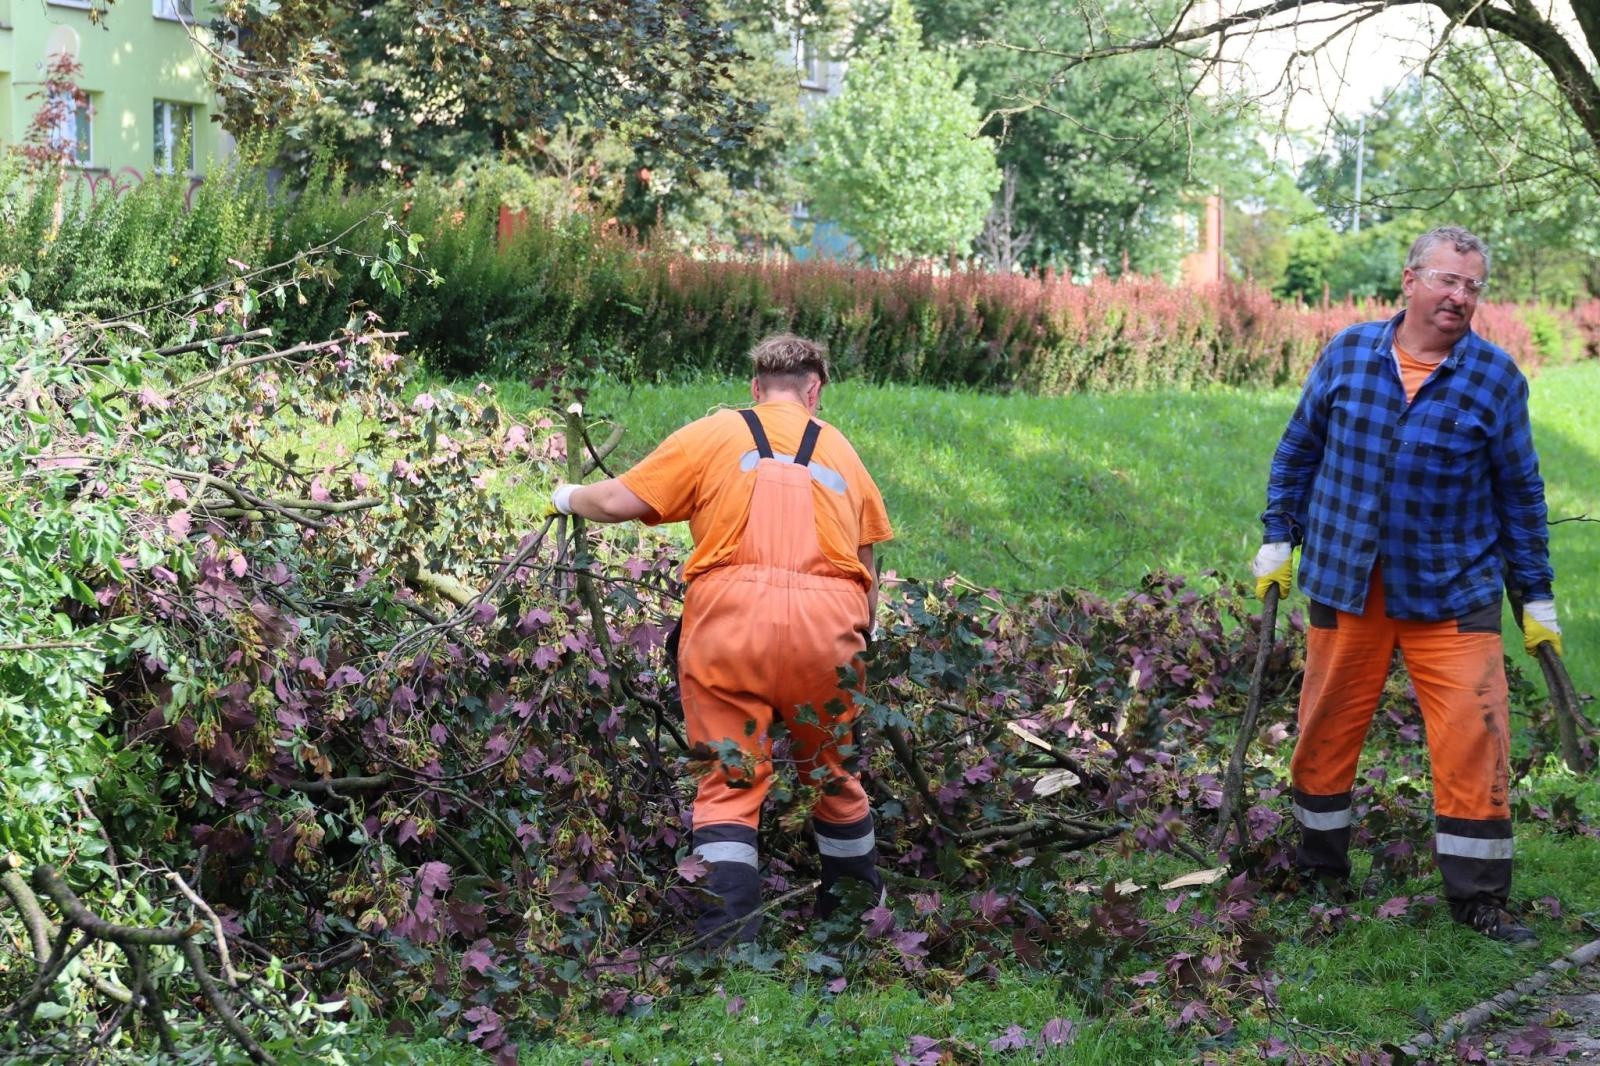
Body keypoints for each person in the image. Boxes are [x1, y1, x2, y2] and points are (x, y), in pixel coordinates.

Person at [1251, 225, 1560, 945]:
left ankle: (1478, 899)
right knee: (1326, 728)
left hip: (1454, 592)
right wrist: (1277, 534)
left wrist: (1535, 593)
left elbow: (1520, 494)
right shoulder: (1349, 353)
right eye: (1448, 279)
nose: (1460, 296)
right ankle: (1320, 872)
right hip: (1346, 581)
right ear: (1411, 279)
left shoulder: (1495, 378)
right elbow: (1298, 449)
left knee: (1475, 739)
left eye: (1473, 285)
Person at [549, 333, 893, 945]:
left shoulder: (713, 434)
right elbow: (867, 579)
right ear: (815, 392)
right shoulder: (845, 454)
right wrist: (853, 649)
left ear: (756, 389)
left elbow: (620, 499)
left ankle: (728, 942)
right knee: (832, 773)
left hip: (730, 624)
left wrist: (566, 496)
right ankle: (856, 923)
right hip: (829, 630)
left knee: (730, 779)